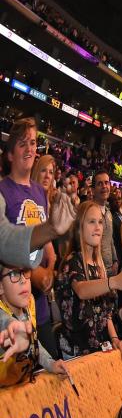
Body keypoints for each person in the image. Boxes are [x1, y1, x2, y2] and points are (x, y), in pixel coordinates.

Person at [0, 118, 60, 356]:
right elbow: (5, 245)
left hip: (40, 303)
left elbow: (45, 241)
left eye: (33, 143)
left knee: (50, 366)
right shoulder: (2, 190)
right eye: (22, 143)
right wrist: (36, 274)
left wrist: (50, 269)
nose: (30, 149)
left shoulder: (38, 191)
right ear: (10, 154)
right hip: (12, 303)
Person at [55, 200, 122, 358]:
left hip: (99, 350)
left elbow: (104, 313)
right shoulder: (72, 261)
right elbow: (82, 290)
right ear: (79, 227)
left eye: (100, 222)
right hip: (77, 355)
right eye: (91, 222)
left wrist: (115, 339)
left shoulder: (98, 265)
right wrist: (113, 281)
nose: (98, 227)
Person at [0, 263, 69, 387]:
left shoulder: (29, 304)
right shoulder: (3, 316)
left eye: (26, 271)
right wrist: (15, 328)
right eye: (14, 274)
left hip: (22, 387)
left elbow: (34, 342)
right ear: (0, 287)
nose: (23, 281)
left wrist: (50, 363)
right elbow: (5, 321)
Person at [91, 168, 119, 276]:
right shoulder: (89, 213)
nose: (104, 186)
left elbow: (110, 237)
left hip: (110, 269)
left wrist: (115, 260)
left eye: (107, 183)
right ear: (93, 190)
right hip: (96, 270)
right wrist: (97, 266)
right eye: (100, 184)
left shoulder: (108, 213)